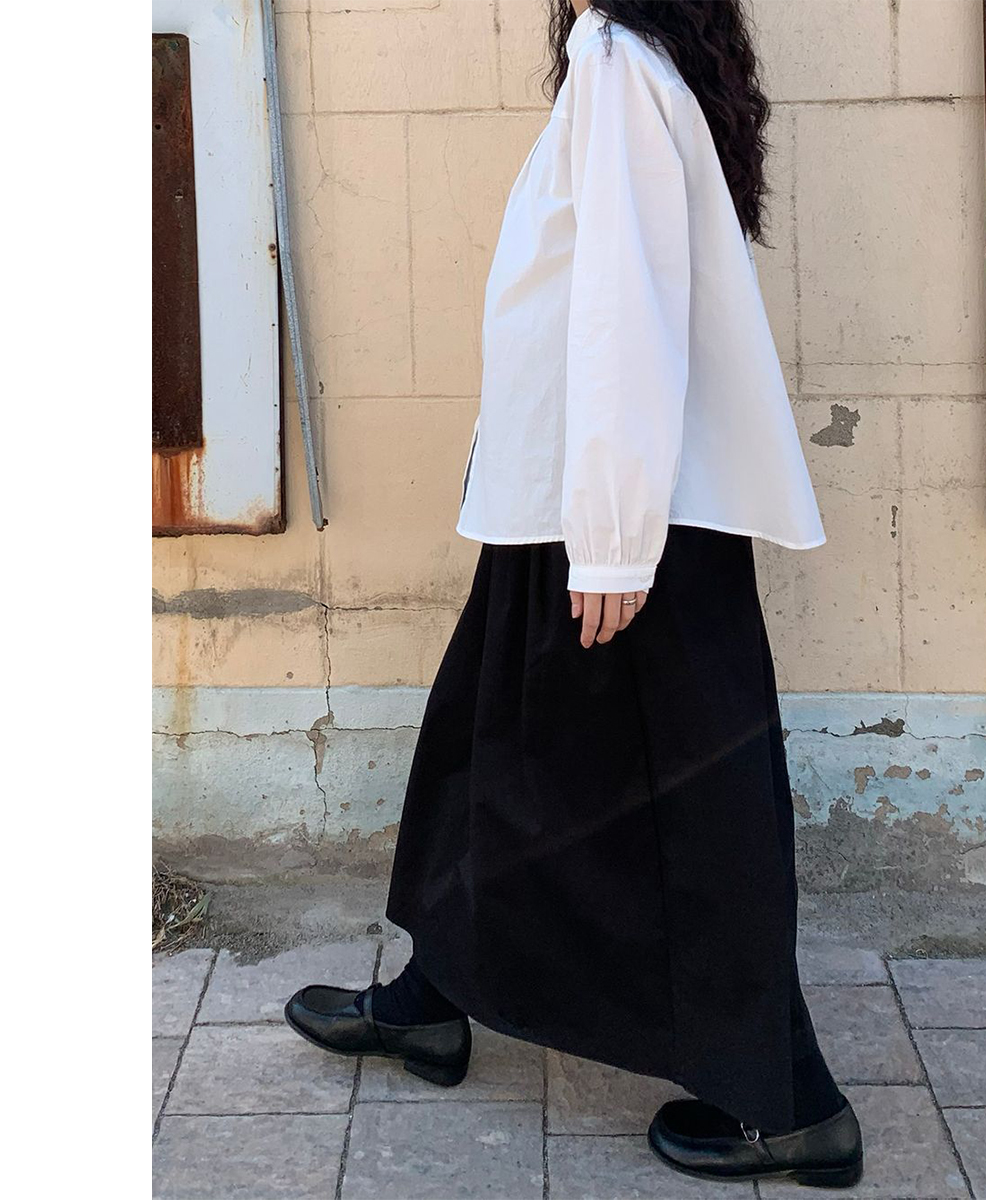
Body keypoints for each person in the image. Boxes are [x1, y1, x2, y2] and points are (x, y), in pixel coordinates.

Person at [285, 0, 863, 1187]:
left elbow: (622, 308)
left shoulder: (614, 61)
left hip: (617, 514)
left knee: (692, 804)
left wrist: (607, 545)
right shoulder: (641, 56)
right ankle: (431, 1001)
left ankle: (797, 1106)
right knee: (498, 756)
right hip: (585, 498)